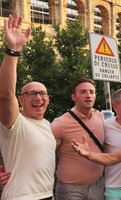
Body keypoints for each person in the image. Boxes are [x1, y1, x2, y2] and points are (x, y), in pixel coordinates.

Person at [0, 12, 56, 200]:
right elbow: (5, 95)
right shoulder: (15, 123)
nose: (38, 97)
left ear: (48, 99)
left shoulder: (48, 125)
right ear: (21, 100)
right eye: (31, 93)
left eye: (42, 93)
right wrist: (13, 50)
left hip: (47, 195)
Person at [51, 78, 105, 200]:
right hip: (71, 189)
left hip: (98, 185)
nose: (88, 95)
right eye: (83, 92)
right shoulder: (60, 124)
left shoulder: (100, 116)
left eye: (92, 92)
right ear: (73, 97)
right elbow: (44, 154)